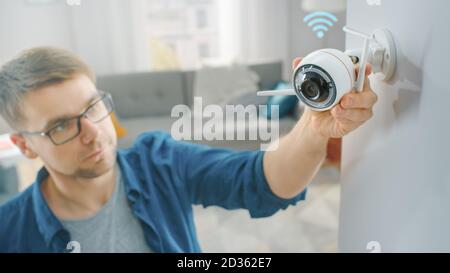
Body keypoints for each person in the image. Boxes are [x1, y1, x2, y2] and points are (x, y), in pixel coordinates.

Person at [0, 47, 377, 252]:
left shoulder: (157, 161)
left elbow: (262, 181)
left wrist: (314, 126)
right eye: (61, 125)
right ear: (24, 145)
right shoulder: (9, 232)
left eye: (92, 106)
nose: (92, 133)